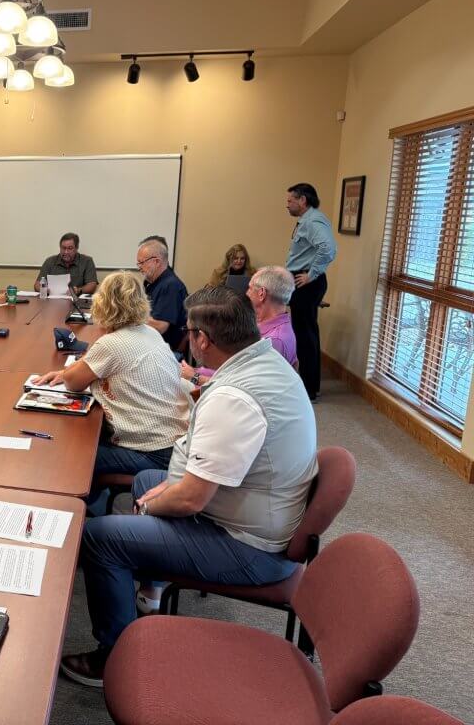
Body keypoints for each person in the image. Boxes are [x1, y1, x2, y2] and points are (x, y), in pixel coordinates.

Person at [60, 286, 317, 687]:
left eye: (191, 334)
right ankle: (150, 578)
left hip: (247, 546)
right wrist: (157, 495)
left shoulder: (234, 397)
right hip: (255, 510)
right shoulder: (265, 363)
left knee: (99, 536)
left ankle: (113, 658)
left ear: (201, 339)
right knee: (147, 479)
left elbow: (192, 498)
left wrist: (147, 509)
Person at [33, 272, 189, 509]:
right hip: (177, 445)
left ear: (103, 304)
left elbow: (74, 382)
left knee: (68, 453)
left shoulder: (112, 343)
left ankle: (75, 513)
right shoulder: (150, 332)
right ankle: (93, 497)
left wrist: (72, 368)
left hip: (152, 453)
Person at [182, 266, 298, 386]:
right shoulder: (266, 326)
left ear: (261, 293)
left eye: (250, 288)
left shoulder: (274, 341)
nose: (246, 293)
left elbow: (246, 386)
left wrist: (195, 377)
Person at [285, 182, 337, 402]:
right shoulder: (307, 220)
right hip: (303, 280)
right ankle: (310, 386)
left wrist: (311, 274)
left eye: (290, 200)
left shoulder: (314, 220)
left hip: (307, 282)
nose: (287, 205)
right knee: (306, 333)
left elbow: (329, 248)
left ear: (302, 200)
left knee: (305, 335)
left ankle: (308, 389)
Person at [136, 236, 187, 353]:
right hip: (152, 342)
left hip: (164, 350)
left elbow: (160, 326)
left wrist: (129, 316)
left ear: (157, 262)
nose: (139, 267)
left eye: (141, 263)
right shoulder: (153, 282)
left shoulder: (171, 286)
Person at [35, 232, 99, 294]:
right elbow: (37, 285)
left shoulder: (87, 261)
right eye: (63, 248)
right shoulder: (50, 261)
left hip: (77, 301)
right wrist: (45, 290)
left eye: (70, 248)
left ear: (76, 248)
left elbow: (92, 285)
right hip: (53, 300)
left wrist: (79, 290)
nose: (66, 252)